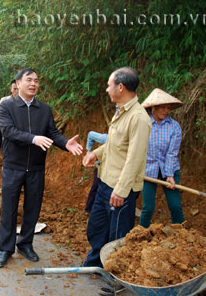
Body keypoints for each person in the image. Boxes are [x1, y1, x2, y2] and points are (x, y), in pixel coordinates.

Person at [0, 68, 83, 268]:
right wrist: (33, 138)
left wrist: (65, 143)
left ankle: (25, 244)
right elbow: (8, 131)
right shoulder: (7, 106)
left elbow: (52, 133)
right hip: (13, 166)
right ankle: (5, 249)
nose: (34, 84)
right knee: (9, 209)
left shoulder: (44, 109)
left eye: (36, 80)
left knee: (32, 209)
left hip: (35, 167)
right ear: (18, 83)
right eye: (29, 80)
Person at [82, 67, 151, 296]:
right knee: (98, 227)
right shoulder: (120, 111)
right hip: (104, 181)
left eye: (109, 84)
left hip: (120, 188)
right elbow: (114, 145)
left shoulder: (139, 118)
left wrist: (121, 191)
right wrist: (97, 153)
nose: (107, 89)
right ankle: (95, 264)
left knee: (118, 236)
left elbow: (134, 158)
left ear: (120, 87)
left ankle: (117, 281)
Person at [139, 88, 184, 227]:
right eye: (163, 107)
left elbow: (172, 152)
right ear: (154, 107)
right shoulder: (143, 124)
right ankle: (141, 234)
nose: (166, 111)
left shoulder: (174, 127)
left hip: (168, 169)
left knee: (175, 205)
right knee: (148, 208)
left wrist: (170, 175)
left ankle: (180, 234)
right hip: (148, 170)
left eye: (168, 108)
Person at [83, 131, 108, 213]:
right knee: (96, 187)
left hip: (112, 171)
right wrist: (89, 151)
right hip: (100, 167)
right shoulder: (107, 139)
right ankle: (89, 209)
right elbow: (90, 134)